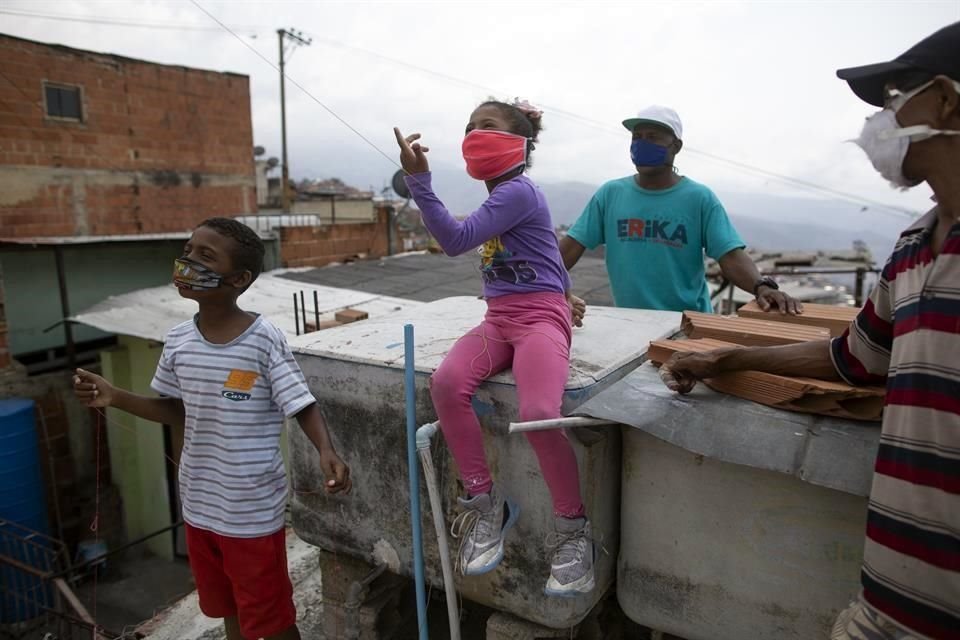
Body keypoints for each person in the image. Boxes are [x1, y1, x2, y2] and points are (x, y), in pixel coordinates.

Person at [660, 22, 960, 640]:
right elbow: (855, 360)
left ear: (947, 101)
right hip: (884, 612)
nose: (882, 119)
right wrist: (726, 360)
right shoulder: (912, 249)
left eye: (896, 95)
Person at [74, 217, 352, 640]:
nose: (188, 262)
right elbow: (176, 410)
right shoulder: (179, 341)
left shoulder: (263, 339)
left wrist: (325, 450)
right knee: (227, 608)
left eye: (206, 256)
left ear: (238, 278)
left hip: (251, 509)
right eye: (188, 252)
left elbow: (301, 402)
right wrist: (115, 396)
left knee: (272, 618)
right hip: (200, 505)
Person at [393, 99, 594, 597]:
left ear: (519, 144)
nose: (474, 134)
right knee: (445, 384)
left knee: (539, 412)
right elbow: (541, 248)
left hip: (539, 321)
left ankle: (573, 530)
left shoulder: (518, 190)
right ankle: (485, 503)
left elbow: (456, 239)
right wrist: (567, 288)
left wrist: (419, 181)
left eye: (487, 126)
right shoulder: (505, 199)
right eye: (468, 127)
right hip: (499, 319)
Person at [560, 105, 801, 315]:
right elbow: (569, 249)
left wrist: (762, 287)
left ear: (675, 146)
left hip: (688, 324)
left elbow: (730, 256)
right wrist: (535, 284)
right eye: (637, 137)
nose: (642, 144)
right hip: (630, 322)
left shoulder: (698, 198)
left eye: (652, 137)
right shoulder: (611, 194)